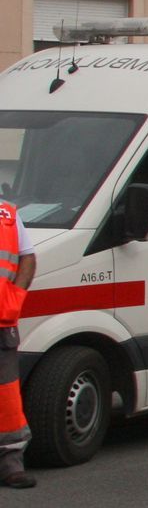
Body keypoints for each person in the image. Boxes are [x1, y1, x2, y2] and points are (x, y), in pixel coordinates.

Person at [0, 198, 38, 489]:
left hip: (1, 320)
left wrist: (14, 298)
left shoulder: (7, 215)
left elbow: (28, 257)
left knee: (7, 396)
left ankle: (11, 464)